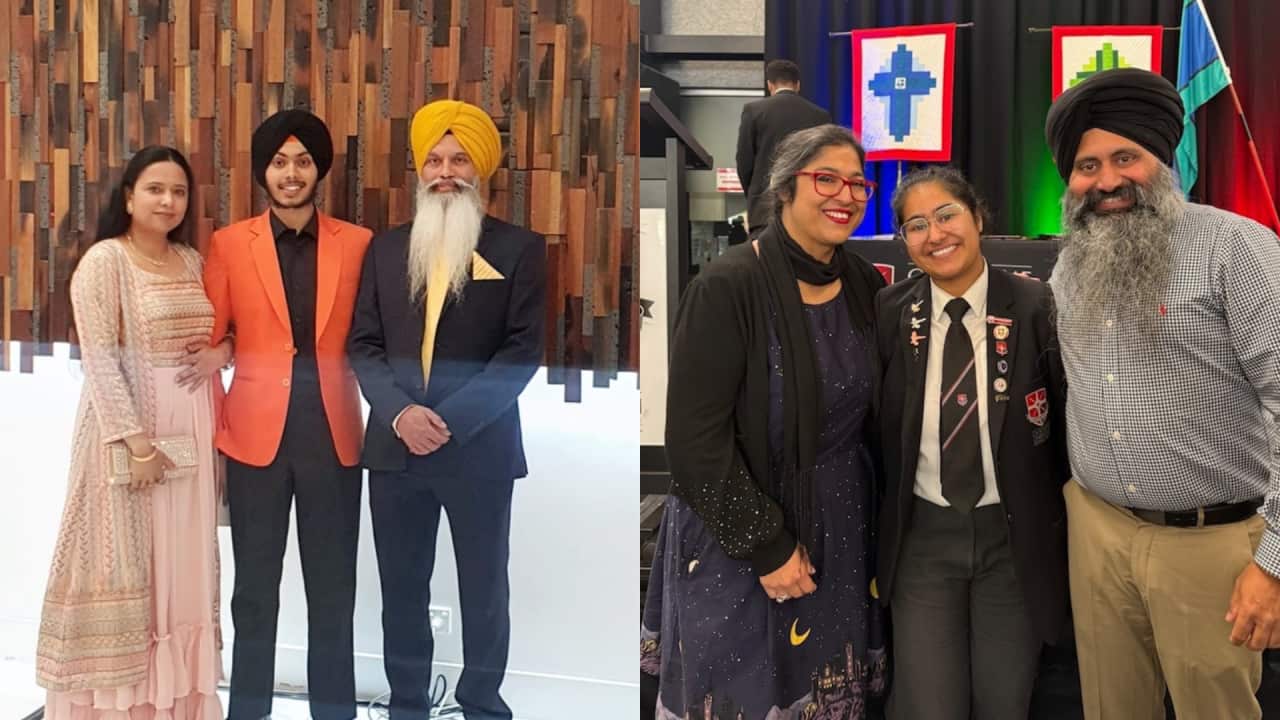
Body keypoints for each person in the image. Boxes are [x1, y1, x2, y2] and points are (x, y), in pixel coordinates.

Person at [1045, 67, 1280, 720]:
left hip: (1212, 547)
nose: (1107, 181)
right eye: (1087, 165)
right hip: (1098, 534)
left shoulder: (1236, 248)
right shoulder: (1069, 264)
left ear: (1162, 159)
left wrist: (1274, 565)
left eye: (1126, 157)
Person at [642, 124, 888, 719]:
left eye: (858, 184)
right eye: (826, 179)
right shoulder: (728, 286)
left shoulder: (860, 281)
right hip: (740, 528)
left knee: (822, 693)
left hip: (840, 524)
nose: (846, 195)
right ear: (784, 189)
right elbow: (694, 442)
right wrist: (768, 546)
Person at [347, 99, 546, 720]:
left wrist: (449, 422)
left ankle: (483, 706)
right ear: (419, 169)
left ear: (479, 170)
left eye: (459, 160)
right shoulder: (385, 250)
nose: (445, 172)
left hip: (478, 451)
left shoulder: (519, 248)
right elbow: (364, 344)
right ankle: (408, 706)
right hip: (395, 452)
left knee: (484, 594)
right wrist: (401, 415)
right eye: (434, 160)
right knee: (401, 595)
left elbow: (521, 352)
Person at [36, 146, 227, 719]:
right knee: (126, 564)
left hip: (192, 434)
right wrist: (137, 444)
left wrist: (222, 352)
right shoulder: (105, 262)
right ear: (128, 197)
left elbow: (226, 331)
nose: (168, 201)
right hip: (128, 438)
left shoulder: (191, 261)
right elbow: (100, 360)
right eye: (155, 189)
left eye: (179, 192)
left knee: (183, 568)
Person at [875, 166, 1070, 719]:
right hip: (924, 538)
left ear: (978, 218)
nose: (934, 235)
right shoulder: (891, 312)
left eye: (946, 215)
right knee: (930, 704)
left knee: (1004, 700)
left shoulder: (1035, 305)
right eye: (916, 225)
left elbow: (1063, 423)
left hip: (1012, 540)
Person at [203, 109, 372, 720]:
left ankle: (335, 712)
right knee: (253, 592)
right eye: (279, 162)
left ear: (319, 170)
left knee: (334, 591)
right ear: (263, 171)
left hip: (333, 435)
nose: (291, 173)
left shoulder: (358, 243)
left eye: (302, 162)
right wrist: (222, 353)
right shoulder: (229, 244)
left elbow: (371, 336)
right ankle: (247, 711)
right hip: (254, 438)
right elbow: (214, 336)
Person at [736, 59, 833, 235]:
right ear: (798, 85)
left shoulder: (753, 110)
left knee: (764, 253)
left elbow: (744, 162)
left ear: (770, 85)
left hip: (764, 209)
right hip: (807, 208)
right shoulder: (820, 116)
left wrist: (753, 196)